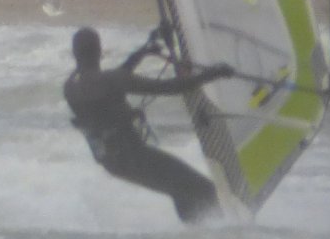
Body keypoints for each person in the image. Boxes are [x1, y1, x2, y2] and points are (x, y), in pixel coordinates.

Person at [65, 26, 235, 223]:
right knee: (204, 189)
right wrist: (213, 74)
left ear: (75, 54)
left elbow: (114, 80)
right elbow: (170, 88)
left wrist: (142, 52)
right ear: (100, 51)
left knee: (181, 190)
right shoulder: (112, 80)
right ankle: (222, 237)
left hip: (112, 163)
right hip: (134, 156)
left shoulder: (70, 87)